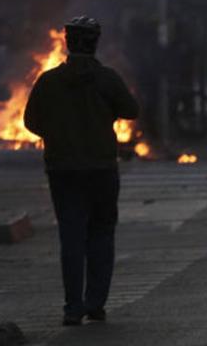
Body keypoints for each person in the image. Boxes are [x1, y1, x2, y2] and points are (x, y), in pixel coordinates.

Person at [23, 17, 139, 326]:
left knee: (71, 237)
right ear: (95, 43)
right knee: (101, 233)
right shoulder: (107, 79)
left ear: (67, 42)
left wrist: (57, 133)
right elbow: (132, 110)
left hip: (62, 169)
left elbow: (31, 122)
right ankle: (95, 303)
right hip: (101, 168)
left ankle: (73, 308)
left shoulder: (48, 81)